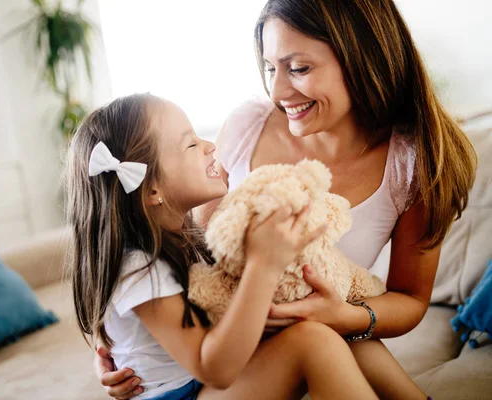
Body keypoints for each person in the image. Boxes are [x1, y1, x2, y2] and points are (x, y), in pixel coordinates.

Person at [95, 0, 476, 399]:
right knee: (316, 336)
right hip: (223, 353)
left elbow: (411, 299)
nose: (277, 91)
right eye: (270, 68)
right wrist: (127, 349)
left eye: (298, 68)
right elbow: (186, 256)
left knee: (329, 333)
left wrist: (344, 316)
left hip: (281, 345)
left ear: (363, 59)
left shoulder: (416, 164)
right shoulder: (247, 126)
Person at [65, 92, 380, 399]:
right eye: (191, 143)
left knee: (333, 328)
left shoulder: (184, 238)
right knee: (313, 343)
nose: (210, 146)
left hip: (201, 386)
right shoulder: (139, 268)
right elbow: (213, 369)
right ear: (152, 190)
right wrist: (263, 265)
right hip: (188, 391)